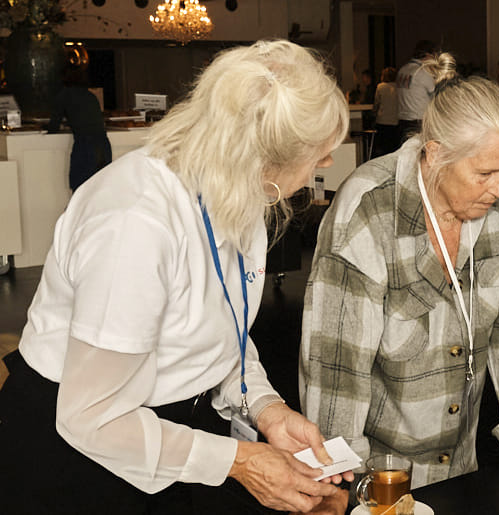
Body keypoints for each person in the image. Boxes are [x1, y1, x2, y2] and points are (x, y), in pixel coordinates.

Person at [0, 40, 352, 514]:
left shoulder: (238, 188)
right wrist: (243, 460)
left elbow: (224, 318)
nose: (324, 166)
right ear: (263, 160)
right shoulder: (134, 222)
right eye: (317, 156)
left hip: (176, 432)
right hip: (80, 453)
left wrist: (266, 407)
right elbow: (91, 420)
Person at [301, 53, 499, 488]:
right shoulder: (370, 207)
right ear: (436, 154)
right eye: (484, 173)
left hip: (461, 464)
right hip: (376, 470)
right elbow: (335, 363)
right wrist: (340, 478)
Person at [44, 65, 112, 191]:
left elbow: (54, 126)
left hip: (85, 145)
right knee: (100, 187)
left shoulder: (64, 95)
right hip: (103, 144)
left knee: (80, 188)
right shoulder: (91, 96)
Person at [397, 40, 439, 143]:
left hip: (403, 120)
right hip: (419, 121)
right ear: (428, 55)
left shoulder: (403, 70)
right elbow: (436, 93)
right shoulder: (423, 71)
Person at [372, 66, 400, 158]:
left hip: (382, 119)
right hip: (395, 120)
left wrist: (374, 113)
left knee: (382, 146)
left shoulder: (380, 87)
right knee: (393, 146)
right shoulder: (399, 87)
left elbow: (376, 103)